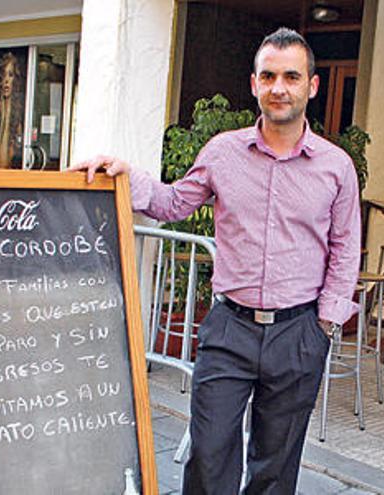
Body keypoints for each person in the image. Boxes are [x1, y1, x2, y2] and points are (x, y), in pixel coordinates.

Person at [71, 27, 360, 494]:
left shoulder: (335, 166)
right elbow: (171, 203)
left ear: (312, 85)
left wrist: (323, 325)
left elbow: (347, 248)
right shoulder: (223, 152)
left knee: (276, 466)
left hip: (298, 332)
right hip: (230, 329)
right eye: (268, 76)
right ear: (253, 84)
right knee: (208, 455)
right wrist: (126, 174)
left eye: (291, 76)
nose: (279, 87)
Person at [0, 52, 23, 168]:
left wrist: (8, 114)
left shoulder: (19, 113)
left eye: (10, 75)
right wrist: (3, 116)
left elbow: (5, 163)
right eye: (3, 75)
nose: (6, 80)